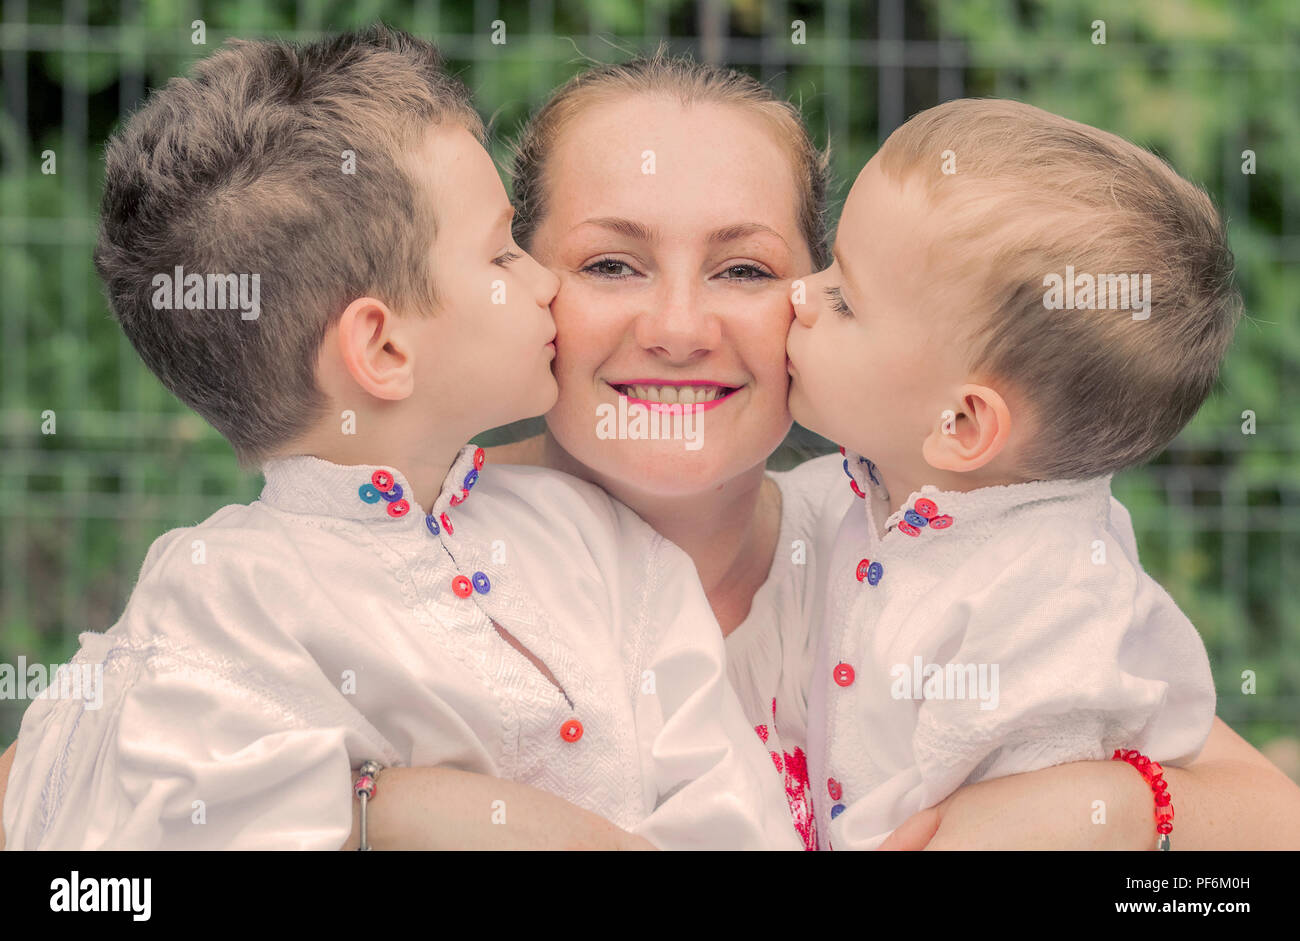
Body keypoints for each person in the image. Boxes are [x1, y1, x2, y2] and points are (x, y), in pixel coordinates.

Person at [322, 52, 1300, 851]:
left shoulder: (896, 540)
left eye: (744, 268)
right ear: (526, 287)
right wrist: (381, 813)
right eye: (610, 263)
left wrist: (1119, 808)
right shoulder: (391, 566)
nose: (677, 326)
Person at [0, 27, 798, 850]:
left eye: (743, 269)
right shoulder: (216, 597)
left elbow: (731, 805)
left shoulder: (601, 544)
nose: (540, 279)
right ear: (382, 348)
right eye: (501, 254)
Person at [789, 98, 1236, 849]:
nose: (799, 294)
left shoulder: (1042, 612)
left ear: (962, 425)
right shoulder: (884, 488)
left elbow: (1028, 828)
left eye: (843, 298)